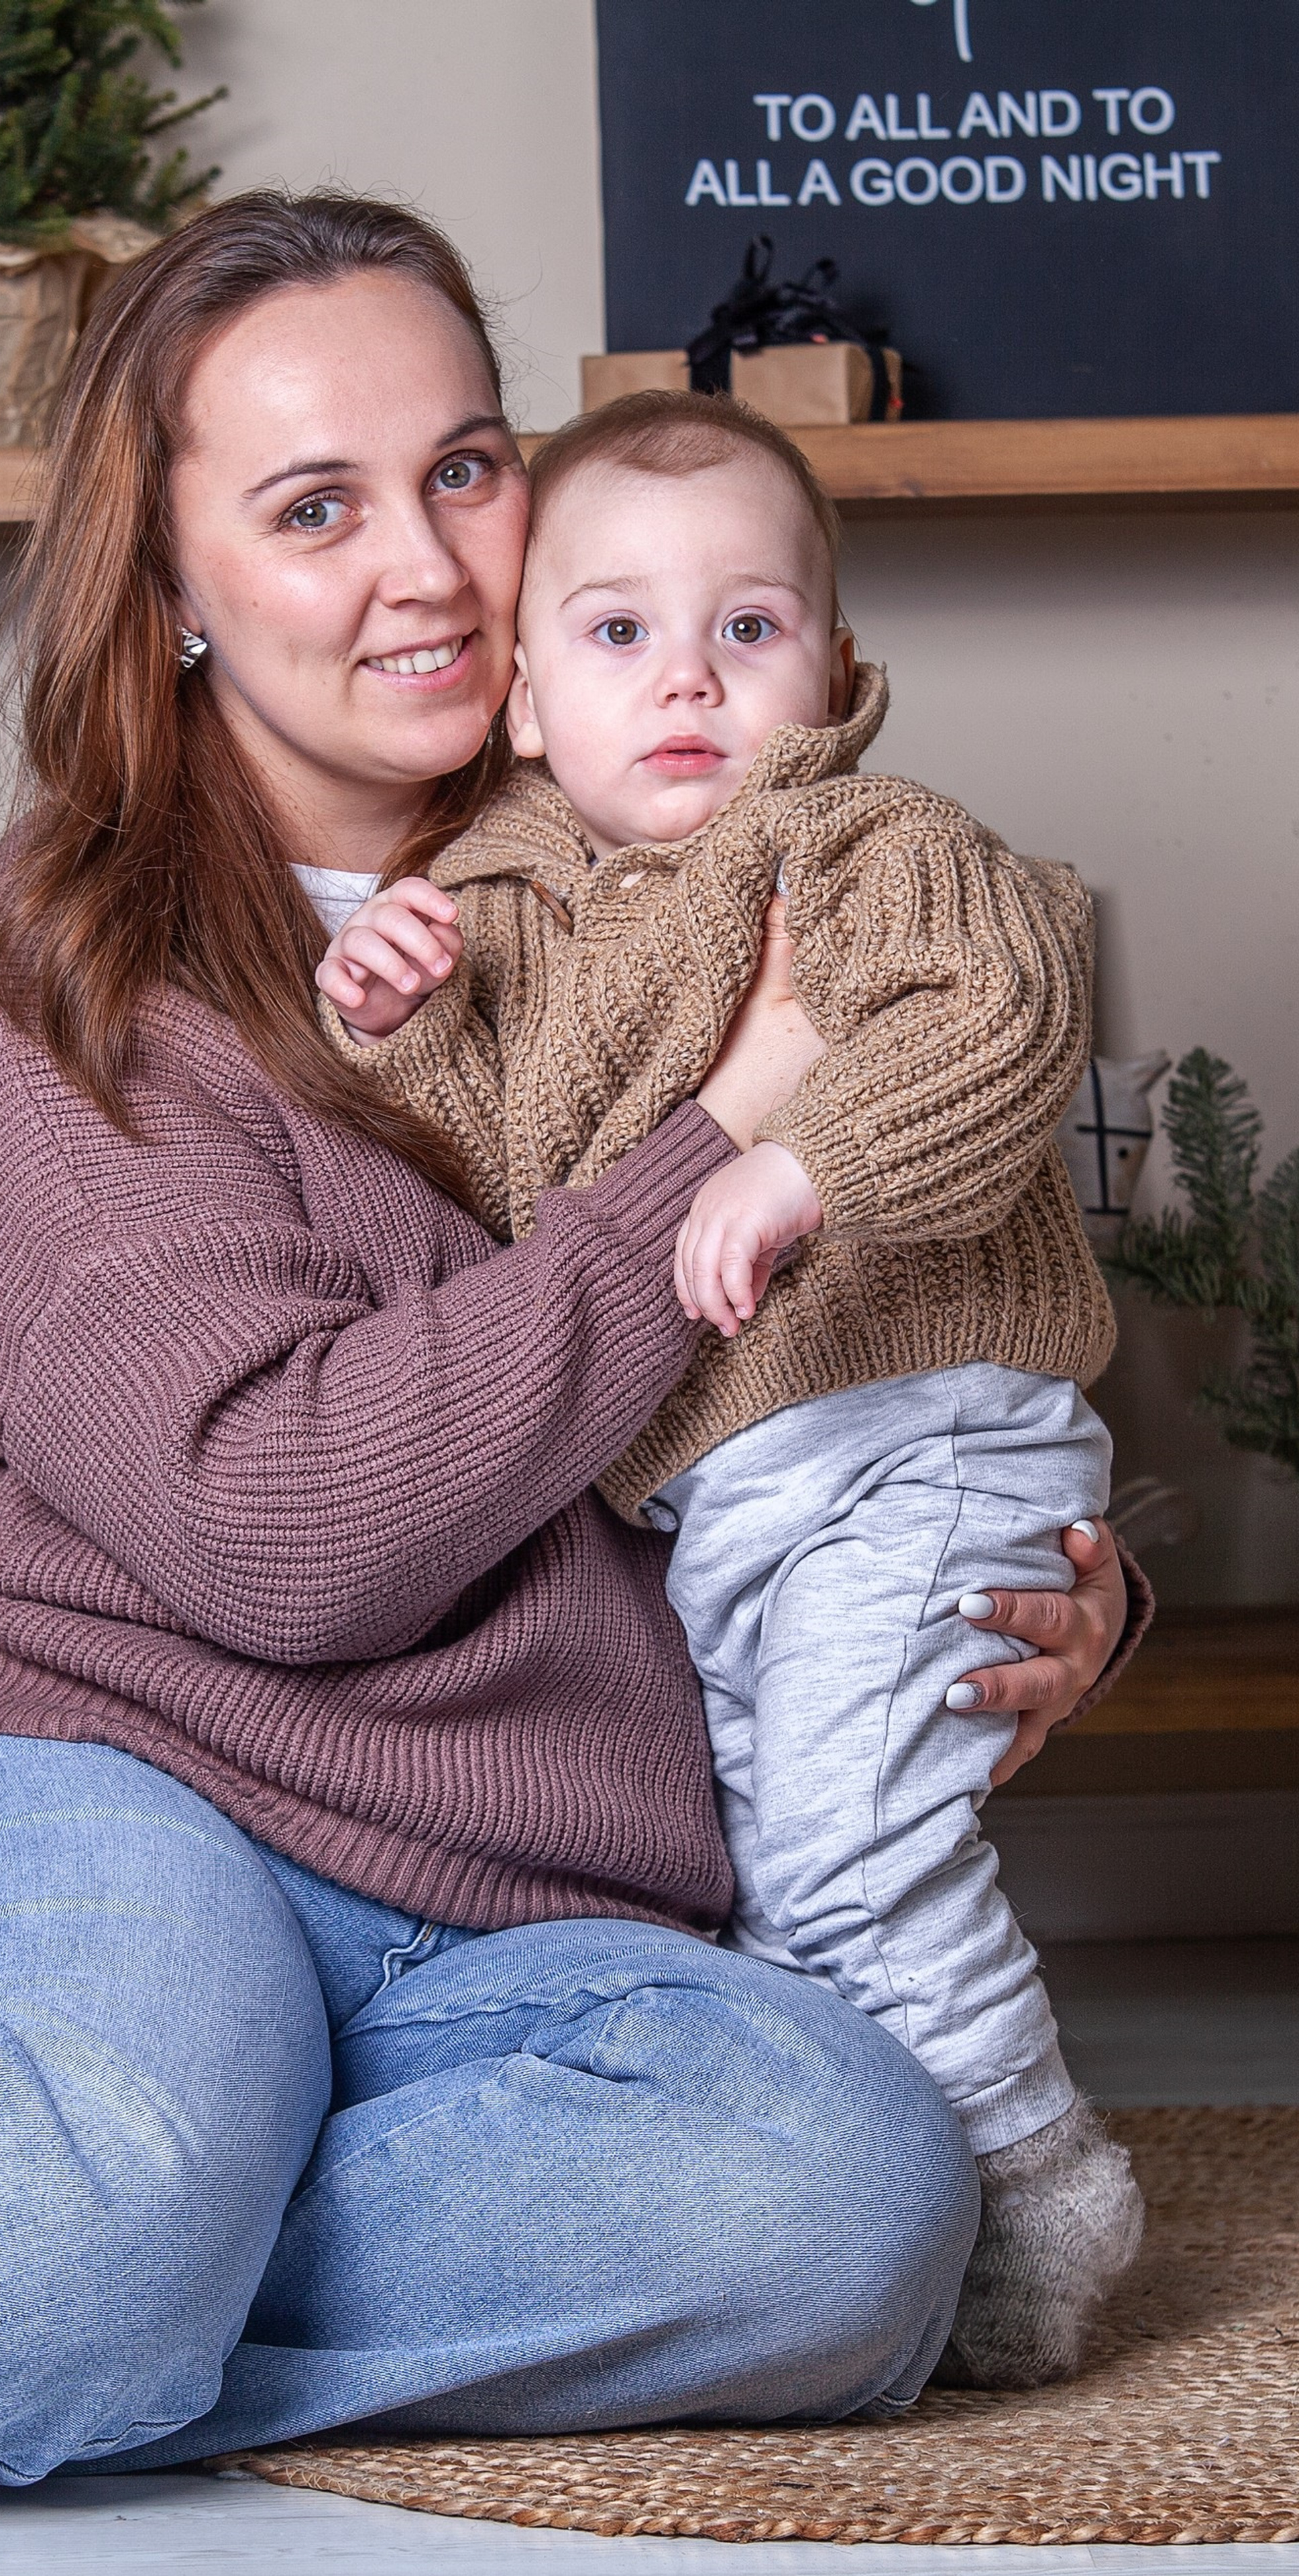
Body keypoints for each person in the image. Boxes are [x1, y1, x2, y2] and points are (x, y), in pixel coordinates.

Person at [0, 193, 1143, 2495]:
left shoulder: (714, 866)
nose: (422, 563)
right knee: (90, 2198)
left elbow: (893, 1306)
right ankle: (83, 2231)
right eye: (314, 508)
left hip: (542, 1899)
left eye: (467, 467)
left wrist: (1011, 1568)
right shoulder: (59, 951)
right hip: (119, 1794)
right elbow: (284, 1527)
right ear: (173, 588)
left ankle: (95, 2269)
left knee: (844, 2201)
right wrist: (723, 1125)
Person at [315, 388, 1145, 2386]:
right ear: (523, 700)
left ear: (840, 674)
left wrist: (805, 1157)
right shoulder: (506, 918)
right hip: (746, 1493)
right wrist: (397, 1028)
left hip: (919, 1430)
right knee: (791, 1871)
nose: (686, 677)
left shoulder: (864, 836)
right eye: (615, 634)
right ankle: (877, 2191)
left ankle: (1036, 2178)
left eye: (748, 630)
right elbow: (522, 1205)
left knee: (847, 1858)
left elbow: (1012, 1005)